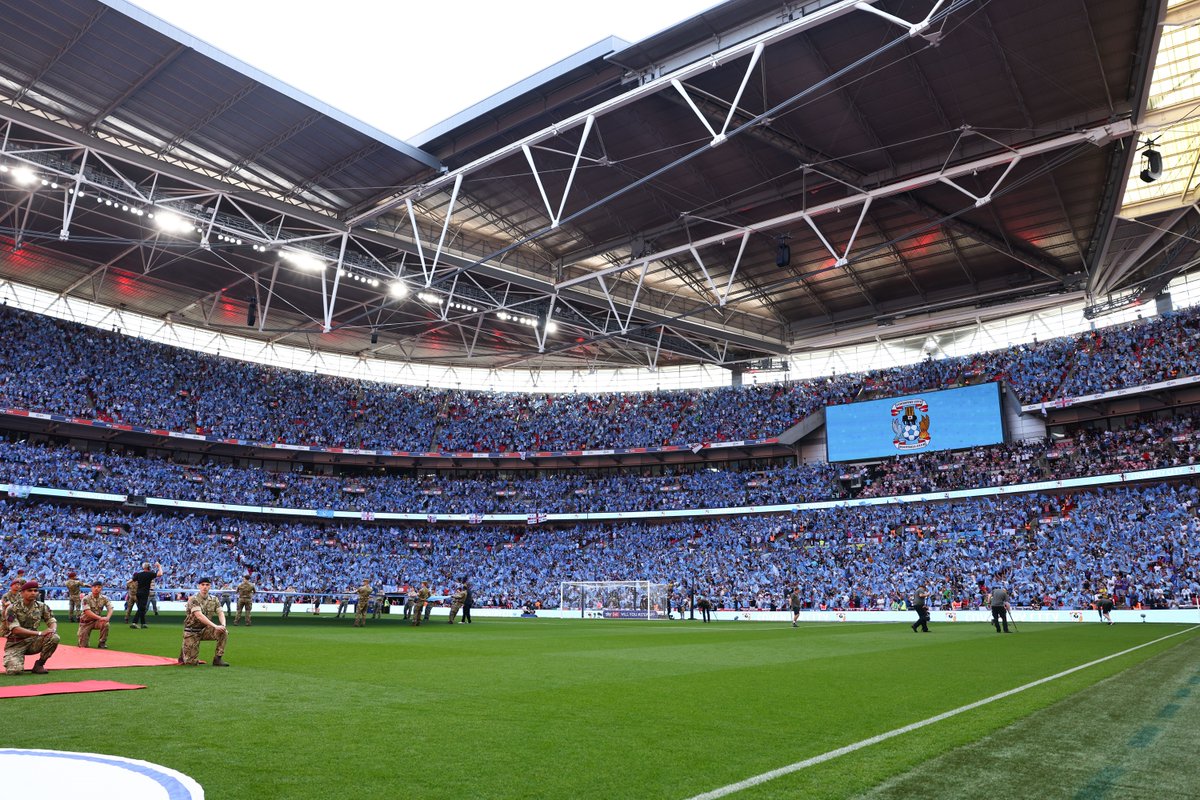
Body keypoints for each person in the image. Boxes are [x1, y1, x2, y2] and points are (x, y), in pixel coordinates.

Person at [3, 581, 59, 675]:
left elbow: (51, 620)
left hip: (33, 642)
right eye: (29, 590)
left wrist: (52, 630)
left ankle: (39, 664)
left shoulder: (42, 606)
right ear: (22, 593)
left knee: (54, 637)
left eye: (35, 590)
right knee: (14, 671)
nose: (33, 593)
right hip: (15, 643)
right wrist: (40, 633)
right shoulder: (12, 608)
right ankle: (17, 659)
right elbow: (15, 629)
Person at [180, 578, 230, 667]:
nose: (205, 587)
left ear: (210, 586)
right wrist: (215, 626)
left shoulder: (214, 599)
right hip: (192, 631)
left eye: (207, 585)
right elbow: (199, 615)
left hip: (205, 630)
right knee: (190, 663)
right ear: (199, 586)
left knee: (223, 632)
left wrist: (223, 625)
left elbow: (220, 612)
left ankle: (217, 659)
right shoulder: (193, 599)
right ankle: (185, 650)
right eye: (202, 585)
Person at [78, 581, 113, 649]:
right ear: (91, 588)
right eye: (94, 587)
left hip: (96, 621)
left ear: (101, 588)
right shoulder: (86, 598)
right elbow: (87, 612)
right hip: (86, 623)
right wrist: (100, 618)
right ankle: (83, 641)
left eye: (99, 587)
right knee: (83, 646)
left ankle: (102, 643)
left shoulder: (104, 598)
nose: (96, 589)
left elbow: (110, 608)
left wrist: (108, 617)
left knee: (105, 623)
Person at [131, 561, 162, 629]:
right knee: (141, 608)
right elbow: (160, 574)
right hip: (144, 593)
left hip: (138, 593)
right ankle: (134, 622)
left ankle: (143, 623)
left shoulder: (139, 574)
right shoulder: (150, 574)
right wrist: (159, 566)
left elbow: (132, 580)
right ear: (148, 567)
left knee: (142, 608)